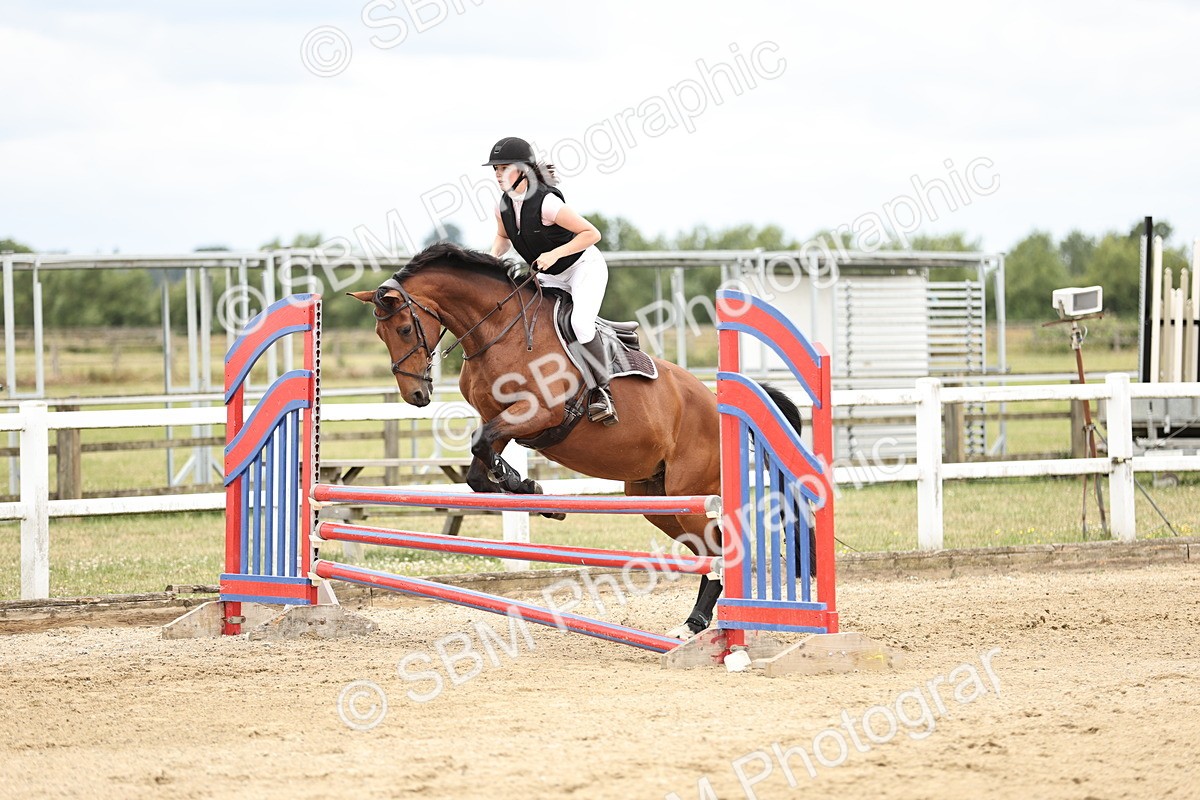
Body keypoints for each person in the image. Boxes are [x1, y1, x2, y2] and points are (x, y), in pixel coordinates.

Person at [484, 136, 617, 424]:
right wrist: (492, 257)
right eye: (495, 169)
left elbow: (591, 234)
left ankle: (603, 393)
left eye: (503, 168)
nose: (497, 174)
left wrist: (556, 253)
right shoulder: (503, 206)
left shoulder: (547, 202)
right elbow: (502, 237)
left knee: (580, 324)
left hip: (583, 266)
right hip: (550, 275)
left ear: (522, 169)